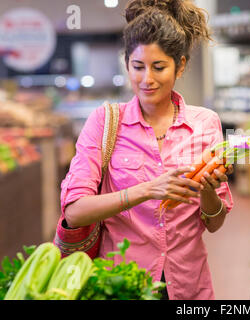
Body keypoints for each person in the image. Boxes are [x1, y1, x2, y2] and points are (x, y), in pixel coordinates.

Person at [60, 0, 234, 300]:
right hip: (122, 285)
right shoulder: (105, 122)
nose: (147, 79)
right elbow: (74, 212)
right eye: (137, 67)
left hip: (188, 286)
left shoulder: (206, 123)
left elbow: (214, 222)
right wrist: (149, 190)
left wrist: (207, 189)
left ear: (180, 65)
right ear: (126, 63)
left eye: (159, 67)